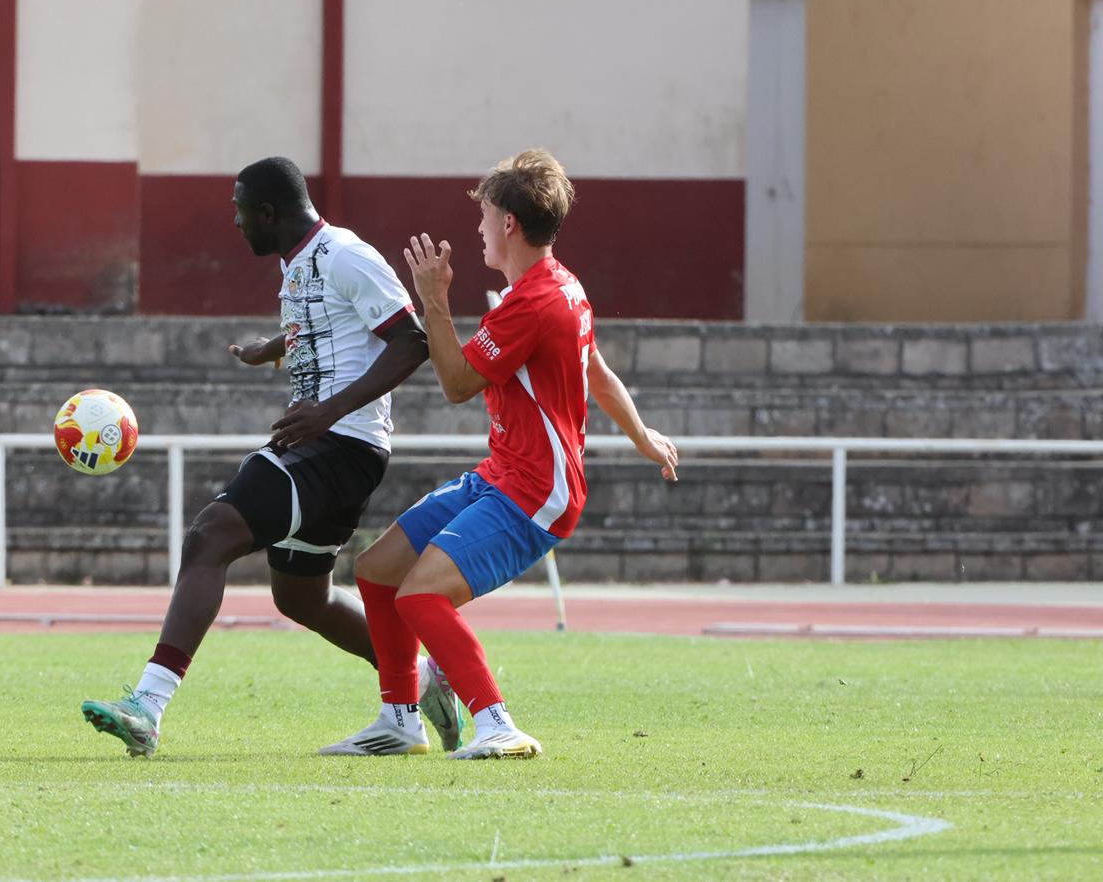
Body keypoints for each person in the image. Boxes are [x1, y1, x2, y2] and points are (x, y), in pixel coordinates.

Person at [320, 148, 680, 759]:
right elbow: (596, 369)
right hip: (502, 476)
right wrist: (642, 434)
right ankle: (400, 720)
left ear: (508, 222)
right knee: (377, 571)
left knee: (421, 595)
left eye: (484, 215)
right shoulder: (563, 286)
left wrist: (434, 300)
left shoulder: (532, 303)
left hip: (535, 490)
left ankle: (497, 725)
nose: (479, 227)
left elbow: (458, 385)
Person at [81, 156, 436, 757]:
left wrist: (327, 412)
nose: (236, 222)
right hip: (327, 444)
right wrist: (269, 349)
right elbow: (325, 325)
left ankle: (148, 705)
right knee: (301, 598)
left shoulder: (346, 255)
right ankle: (423, 680)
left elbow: (412, 341)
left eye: (240, 210)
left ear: (268, 212)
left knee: (211, 532)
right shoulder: (297, 262)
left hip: (339, 444)